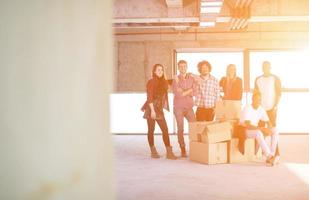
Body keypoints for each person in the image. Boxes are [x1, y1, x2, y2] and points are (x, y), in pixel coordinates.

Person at [141, 64, 177, 160]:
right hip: (151, 108)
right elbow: (149, 97)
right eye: (158, 70)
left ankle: (169, 153)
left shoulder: (163, 82)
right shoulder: (151, 82)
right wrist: (152, 111)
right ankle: (153, 152)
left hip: (159, 109)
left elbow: (170, 81)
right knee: (151, 130)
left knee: (165, 130)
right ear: (154, 71)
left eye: (161, 70)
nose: (160, 71)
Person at [239, 91, 279, 166]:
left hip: (255, 129)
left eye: (259, 100)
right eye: (256, 99)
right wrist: (262, 129)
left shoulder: (261, 109)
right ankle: (269, 156)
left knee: (275, 130)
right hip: (244, 130)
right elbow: (248, 125)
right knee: (258, 132)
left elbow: (268, 121)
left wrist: (269, 128)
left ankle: (272, 154)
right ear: (252, 99)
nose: (258, 101)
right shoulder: (247, 108)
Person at [254, 61, 281, 161]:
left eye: (267, 66)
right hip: (261, 110)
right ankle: (262, 152)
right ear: (262, 67)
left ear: (270, 67)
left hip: (271, 109)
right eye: (264, 66)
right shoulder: (258, 79)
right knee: (260, 130)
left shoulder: (275, 78)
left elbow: (279, 93)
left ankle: (276, 153)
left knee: (273, 130)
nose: (265, 68)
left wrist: (275, 106)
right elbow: (256, 93)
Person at [172, 60, 196, 157]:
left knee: (194, 127)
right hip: (178, 108)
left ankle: (195, 147)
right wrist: (189, 90)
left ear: (187, 67)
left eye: (184, 66)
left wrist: (185, 91)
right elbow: (177, 94)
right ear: (178, 68)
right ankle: (183, 149)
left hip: (189, 107)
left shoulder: (192, 78)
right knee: (180, 129)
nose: (182, 68)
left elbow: (195, 91)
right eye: (180, 66)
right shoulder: (175, 79)